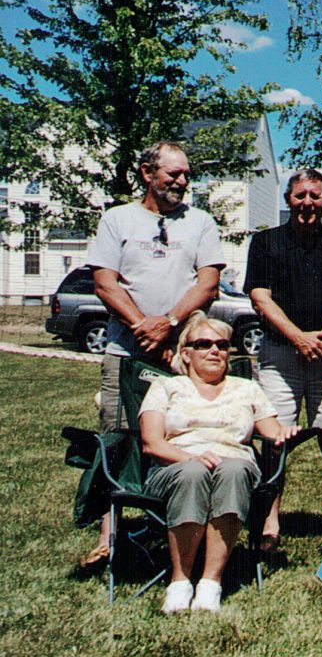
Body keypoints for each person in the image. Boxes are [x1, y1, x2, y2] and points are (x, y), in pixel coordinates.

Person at [81, 140, 225, 568]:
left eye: (186, 175)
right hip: (125, 351)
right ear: (147, 173)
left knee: (184, 437)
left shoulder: (200, 222)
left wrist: (170, 326)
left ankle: (182, 532)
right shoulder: (117, 219)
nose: (182, 181)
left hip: (182, 358)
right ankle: (110, 538)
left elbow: (207, 284)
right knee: (119, 439)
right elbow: (105, 283)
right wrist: (145, 326)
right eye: (173, 174)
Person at [139, 312, 300, 613]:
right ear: (185, 354)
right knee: (193, 472)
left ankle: (210, 583)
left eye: (222, 345)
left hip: (233, 463)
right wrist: (193, 457)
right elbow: (152, 443)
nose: (215, 351)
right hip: (175, 465)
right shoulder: (165, 387)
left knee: (234, 468)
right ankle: (180, 581)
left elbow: (272, 431)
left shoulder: (247, 388)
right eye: (203, 344)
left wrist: (285, 433)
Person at [244, 168, 322, 550]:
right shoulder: (266, 242)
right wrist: (298, 337)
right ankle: (269, 523)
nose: (307, 203)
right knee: (273, 439)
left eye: (315, 196)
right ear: (288, 200)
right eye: (300, 196)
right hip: (280, 354)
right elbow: (260, 297)